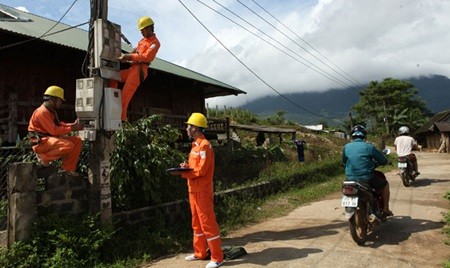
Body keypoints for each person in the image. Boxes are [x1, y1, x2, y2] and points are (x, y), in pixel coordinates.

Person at [169, 112, 224, 268]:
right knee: (196, 223)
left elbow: (201, 171)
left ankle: (217, 257)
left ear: (196, 128)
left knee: (208, 223)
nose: (187, 128)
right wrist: (185, 168)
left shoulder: (205, 145)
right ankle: (200, 252)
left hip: (203, 190)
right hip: (193, 190)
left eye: (189, 126)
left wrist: (182, 173)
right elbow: (195, 167)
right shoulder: (195, 145)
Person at [110, 16, 161, 121]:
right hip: (132, 69)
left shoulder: (155, 43)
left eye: (142, 30)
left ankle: (122, 119)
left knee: (125, 96)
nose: (141, 33)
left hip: (139, 71)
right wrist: (124, 57)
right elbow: (135, 52)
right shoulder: (143, 41)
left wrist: (128, 57)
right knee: (113, 76)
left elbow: (146, 57)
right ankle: (111, 98)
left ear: (148, 28)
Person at [28, 85, 84, 176]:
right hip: (39, 142)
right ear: (53, 100)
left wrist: (73, 125)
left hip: (47, 140)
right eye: (60, 100)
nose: (61, 103)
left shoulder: (50, 111)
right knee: (68, 145)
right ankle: (44, 158)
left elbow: (59, 125)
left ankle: (67, 170)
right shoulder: (42, 112)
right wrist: (73, 128)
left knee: (77, 141)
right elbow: (53, 130)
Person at [342, 125, 393, 216]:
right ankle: (385, 208)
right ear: (364, 136)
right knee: (385, 184)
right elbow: (383, 160)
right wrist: (386, 162)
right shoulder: (368, 147)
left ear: (352, 136)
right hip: (366, 177)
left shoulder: (346, 147)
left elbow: (344, 161)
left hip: (350, 178)